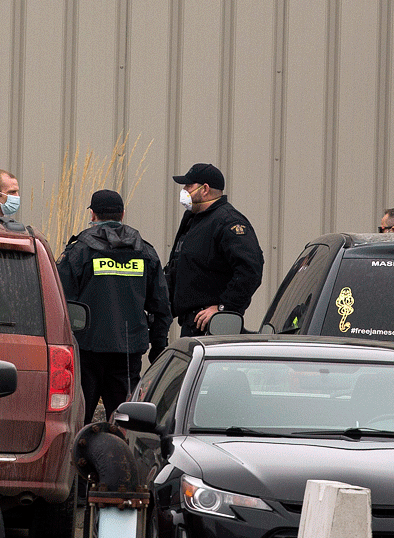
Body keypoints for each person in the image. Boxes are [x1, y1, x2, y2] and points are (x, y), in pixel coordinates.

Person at [57, 189, 172, 422]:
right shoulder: (145, 251)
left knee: (79, 420)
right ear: (122, 214)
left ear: (92, 214)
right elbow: (161, 306)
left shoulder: (80, 251)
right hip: (128, 353)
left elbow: (60, 302)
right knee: (125, 421)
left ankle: (80, 457)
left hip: (86, 352)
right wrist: (159, 348)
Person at [166, 163, 264, 337]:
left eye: (189, 186)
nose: (184, 190)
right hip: (191, 323)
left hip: (213, 328)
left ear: (205, 189)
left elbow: (250, 269)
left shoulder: (228, 221)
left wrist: (224, 308)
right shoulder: (193, 219)